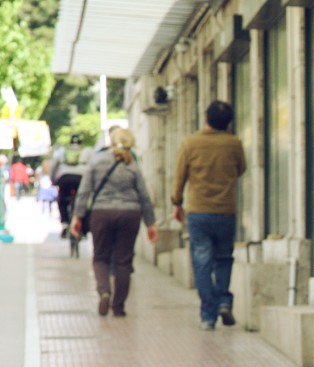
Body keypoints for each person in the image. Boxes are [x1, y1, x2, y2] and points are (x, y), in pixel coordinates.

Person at [171, 100, 246, 331]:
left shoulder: (190, 143)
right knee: (224, 258)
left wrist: (177, 202)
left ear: (206, 118)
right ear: (229, 122)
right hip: (225, 211)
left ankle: (208, 315)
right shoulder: (234, 143)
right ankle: (224, 301)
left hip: (199, 213)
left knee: (202, 263)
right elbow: (241, 169)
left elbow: (179, 176)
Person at [70, 128, 158, 317]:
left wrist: (77, 216)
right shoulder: (132, 164)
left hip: (102, 213)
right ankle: (118, 307)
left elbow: (84, 191)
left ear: (111, 141)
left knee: (100, 257)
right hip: (129, 214)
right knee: (123, 261)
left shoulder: (96, 161)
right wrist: (150, 223)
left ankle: (104, 291)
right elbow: (143, 195)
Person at [52, 135, 93, 237]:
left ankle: (65, 223)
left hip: (64, 178)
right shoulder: (88, 151)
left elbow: (53, 167)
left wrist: (53, 181)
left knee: (61, 199)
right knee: (84, 200)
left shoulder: (61, 151)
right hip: (82, 178)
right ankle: (83, 226)